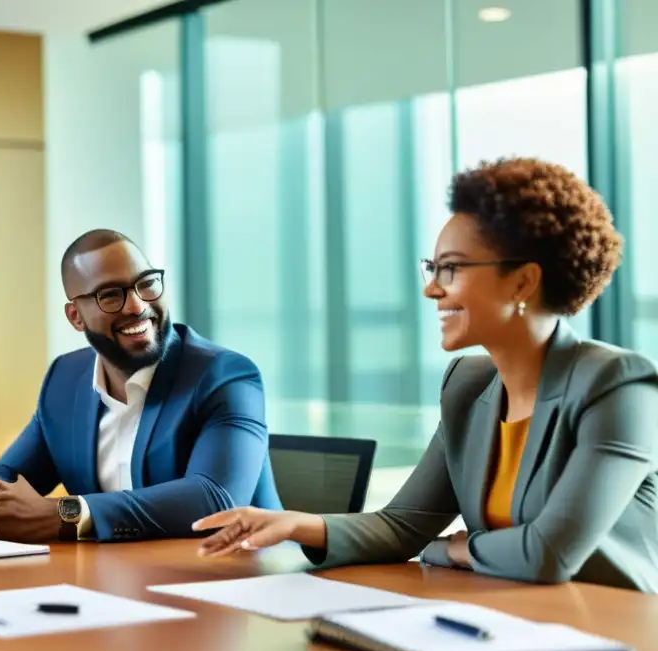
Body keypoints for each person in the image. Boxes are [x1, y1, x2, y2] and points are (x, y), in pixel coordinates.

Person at [194, 158, 658, 592]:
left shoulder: (617, 385)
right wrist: (295, 524)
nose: (432, 288)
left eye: (451, 269)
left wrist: (450, 550)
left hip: (617, 636)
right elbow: (403, 526)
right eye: (432, 268)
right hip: (514, 620)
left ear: (522, 282)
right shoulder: (468, 385)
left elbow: (547, 553)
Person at [0, 228, 281, 543]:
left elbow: (217, 499)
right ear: (75, 316)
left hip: (236, 581)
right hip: (114, 581)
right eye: (111, 295)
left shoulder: (225, 375)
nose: (137, 305)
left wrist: (68, 514)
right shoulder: (65, 380)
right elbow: (6, 483)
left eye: (147, 284)